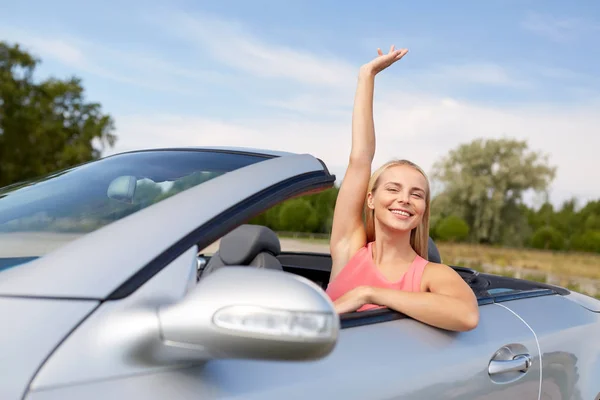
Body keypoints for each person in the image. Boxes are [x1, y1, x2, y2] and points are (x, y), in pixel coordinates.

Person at [326, 45, 479, 332]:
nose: (404, 199)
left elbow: (467, 316)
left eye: (416, 194)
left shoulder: (431, 275)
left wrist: (369, 294)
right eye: (393, 189)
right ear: (370, 199)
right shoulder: (349, 250)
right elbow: (360, 159)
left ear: (423, 210)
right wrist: (366, 76)